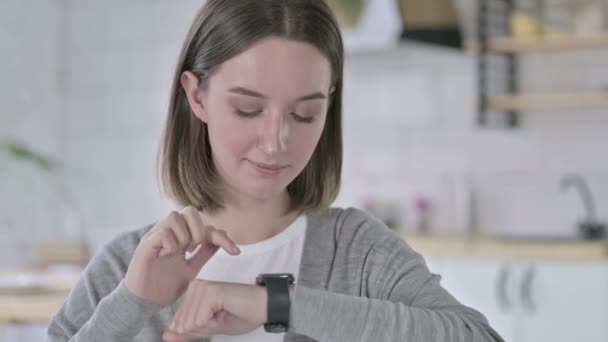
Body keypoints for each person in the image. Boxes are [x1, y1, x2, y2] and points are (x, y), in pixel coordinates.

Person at [47, 0, 504, 341]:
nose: (276, 141)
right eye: (248, 109)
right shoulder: (127, 265)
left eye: (304, 115)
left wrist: (278, 303)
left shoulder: (357, 252)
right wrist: (133, 304)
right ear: (197, 95)